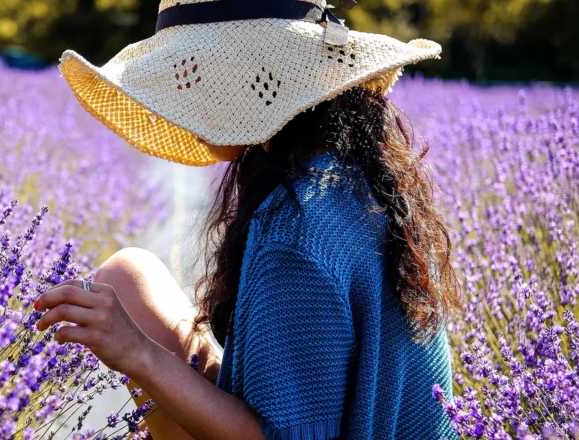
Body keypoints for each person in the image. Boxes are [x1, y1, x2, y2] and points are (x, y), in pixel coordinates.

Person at [34, 1, 460, 438]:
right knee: (128, 278)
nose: (183, 93)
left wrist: (136, 352)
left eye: (195, 72)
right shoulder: (349, 174)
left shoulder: (295, 232)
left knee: (134, 329)